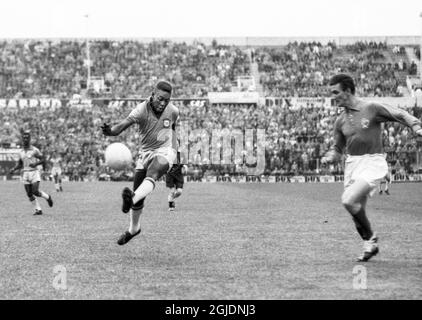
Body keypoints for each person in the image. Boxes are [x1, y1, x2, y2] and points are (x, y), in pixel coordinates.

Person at [322, 74, 422, 262]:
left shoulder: (371, 108)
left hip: (372, 162)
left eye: (336, 92)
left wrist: (416, 126)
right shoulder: (340, 121)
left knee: (348, 200)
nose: (333, 96)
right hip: (353, 164)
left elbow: (399, 114)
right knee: (356, 210)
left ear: (348, 90)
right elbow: (337, 148)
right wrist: (330, 157)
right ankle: (370, 245)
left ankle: (371, 239)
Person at [101, 80, 179, 245]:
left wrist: (174, 151)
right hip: (145, 153)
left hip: (165, 151)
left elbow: (173, 129)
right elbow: (122, 125)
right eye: (160, 98)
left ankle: (131, 200)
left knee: (154, 173)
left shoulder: (173, 111)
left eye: (167, 100)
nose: (163, 103)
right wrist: (110, 132)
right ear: (152, 94)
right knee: (139, 196)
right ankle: (134, 229)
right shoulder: (141, 110)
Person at [9, 131, 54, 215]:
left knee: (35, 191)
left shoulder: (34, 150)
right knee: (29, 194)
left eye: (27, 138)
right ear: (22, 139)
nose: (25, 139)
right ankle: (38, 210)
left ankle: (48, 197)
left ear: (29, 139)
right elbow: (20, 164)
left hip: (34, 172)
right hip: (25, 173)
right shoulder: (21, 152)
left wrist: (35, 164)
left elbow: (43, 159)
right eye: (24, 138)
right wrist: (14, 169)